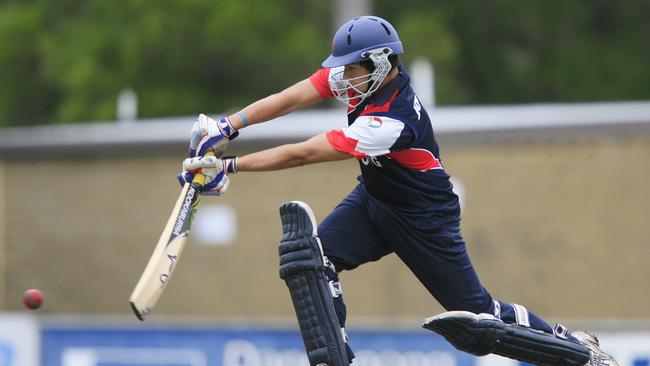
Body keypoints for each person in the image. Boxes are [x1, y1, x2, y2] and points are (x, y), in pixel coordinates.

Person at [179, 15, 617, 366]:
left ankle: (576, 350)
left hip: (423, 219)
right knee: (312, 259)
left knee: (481, 320)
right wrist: (227, 126)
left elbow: (304, 154)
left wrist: (228, 166)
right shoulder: (363, 76)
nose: (342, 78)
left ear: (381, 64)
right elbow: (294, 96)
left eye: (351, 69)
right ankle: (337, 358)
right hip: (374, 199)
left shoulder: (392, 121)